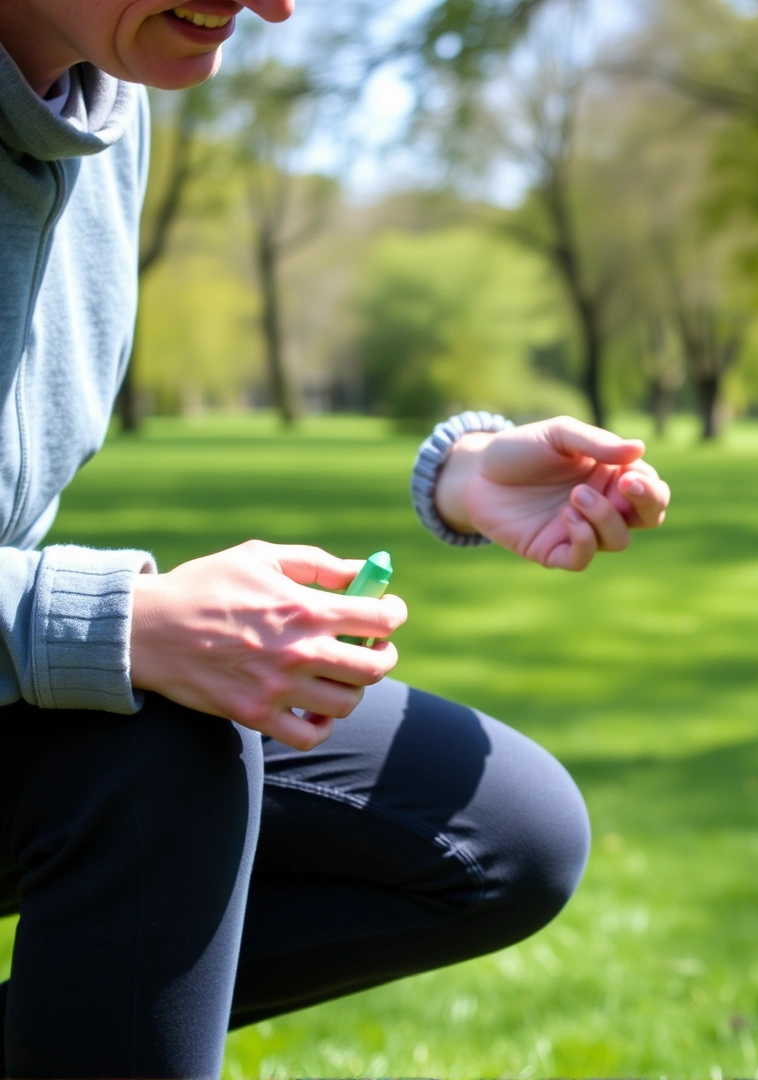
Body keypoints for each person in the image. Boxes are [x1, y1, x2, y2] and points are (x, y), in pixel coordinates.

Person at [0, 2, 673, 1075]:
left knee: (508, 832)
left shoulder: (105, 106)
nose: (276, 7)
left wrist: (457, 478)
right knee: (163, 746)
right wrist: (105, 623)